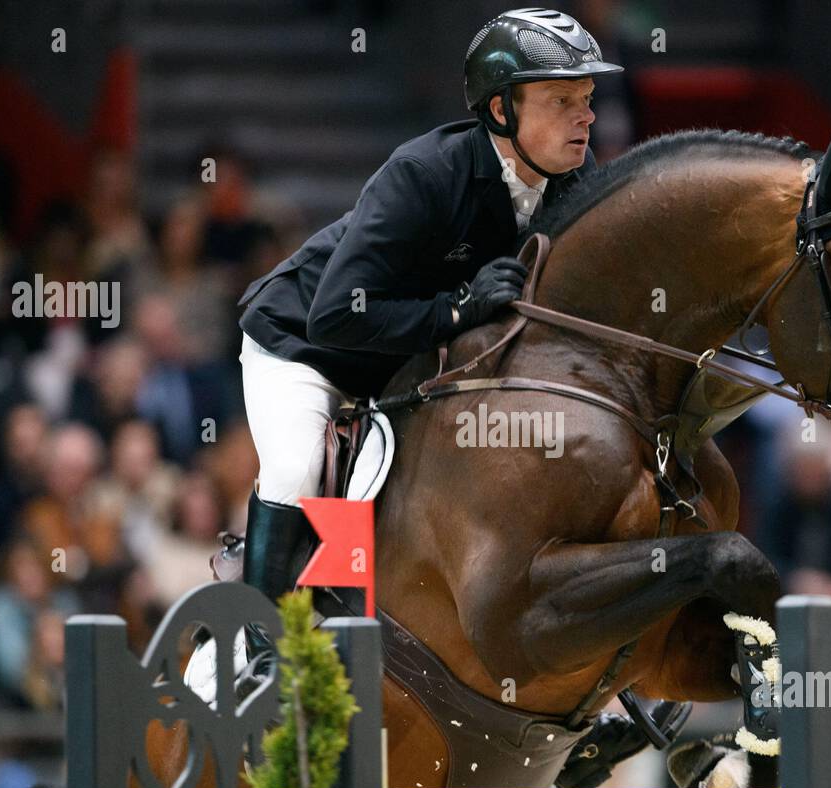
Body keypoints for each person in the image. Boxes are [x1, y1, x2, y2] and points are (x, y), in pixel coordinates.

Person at [222, 8, 623, 678]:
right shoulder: (422, 174)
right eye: (561, 101)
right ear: (500, 110)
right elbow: (336, 318)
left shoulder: (573, 190)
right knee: (294, 468)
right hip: (306, 347)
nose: (586, 118)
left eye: (586, 101)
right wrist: (457, 309)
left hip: (405, 367)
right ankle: (258, 646)